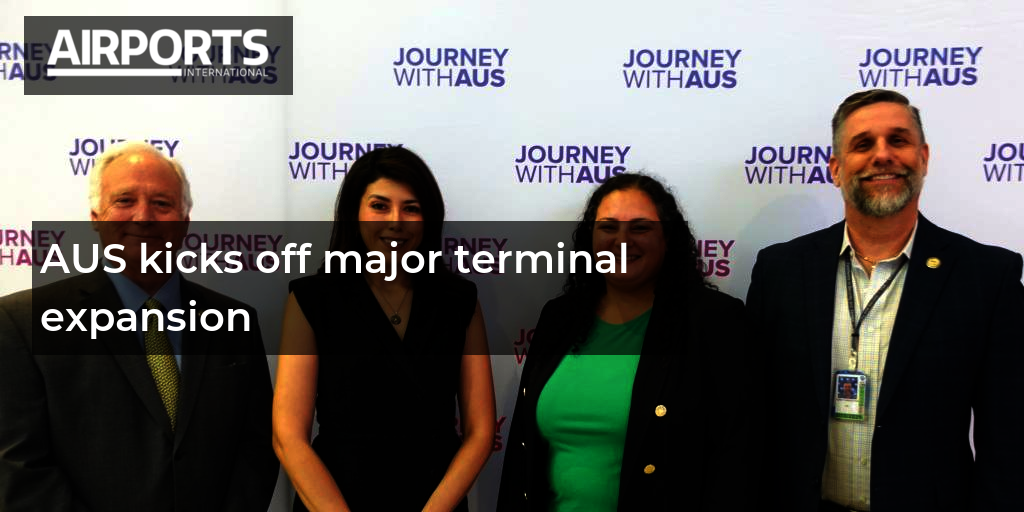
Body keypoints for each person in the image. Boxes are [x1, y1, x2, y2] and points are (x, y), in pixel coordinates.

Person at [746, 89, 1024, 511]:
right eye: (862, 144)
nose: (882, 155)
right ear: (836, 169)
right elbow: (751, 415)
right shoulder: (780, 271)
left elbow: (1008, 436)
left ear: (923, 158)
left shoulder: (987, 276)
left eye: (898, 140)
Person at [0, 142, 279, 511]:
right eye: (124, 200)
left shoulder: (235, 322)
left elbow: (257, 448)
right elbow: (20, 466)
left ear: (185, 221)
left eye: (162, 203)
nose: (143, 216)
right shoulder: (23, 322)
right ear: (96, 217)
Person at [497, 173, 749, 511]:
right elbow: (522, 454)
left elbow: (735, 461)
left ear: (668, 238)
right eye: (608, 227)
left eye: (640, 228)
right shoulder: (559, 317)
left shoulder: (715, 321)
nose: (622, 241)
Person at [273, 146, 496, 512]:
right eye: (379, 205)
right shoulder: (312, 299)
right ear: (354, 212)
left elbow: (481, 432)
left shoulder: (460, 301)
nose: (396, 221)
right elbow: (287, 436)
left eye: (411, 208)